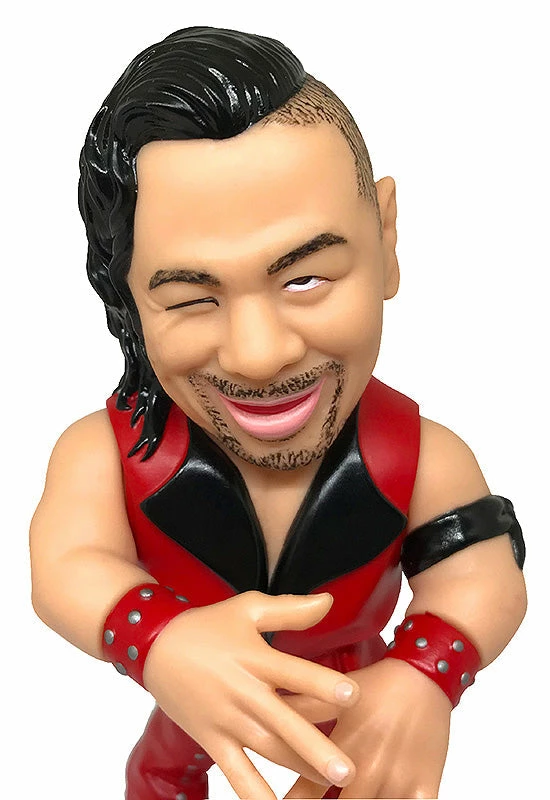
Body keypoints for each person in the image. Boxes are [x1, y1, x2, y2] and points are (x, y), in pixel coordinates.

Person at [30, 26, 526, 800]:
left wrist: (426, 672)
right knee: (158, 774)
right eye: (191, 300)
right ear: (127, 298)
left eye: (305, 280)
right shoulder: (107, 453)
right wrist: (160, 640)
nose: (258, 356)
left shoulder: (422, 458)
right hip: (194, 694)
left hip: (357, 694)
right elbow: (66, 566)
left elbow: (481, 575)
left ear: (386, 237)